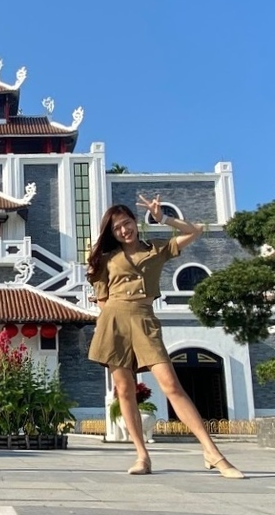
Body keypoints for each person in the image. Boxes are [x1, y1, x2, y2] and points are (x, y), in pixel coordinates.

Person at [87, 195, 244, 479]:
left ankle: (212, 452)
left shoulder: (157, 249)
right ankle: (142, 456)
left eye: (126, 223)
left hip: (145, 320)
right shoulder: (106, 259)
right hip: (114, 323)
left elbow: (194, 231)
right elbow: (101, 299)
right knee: (124, 390)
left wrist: (163, 218)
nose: (124, 230)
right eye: (116, 228)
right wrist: (113, 318)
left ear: (135, 222)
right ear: (111, 233)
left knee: (171, 385)